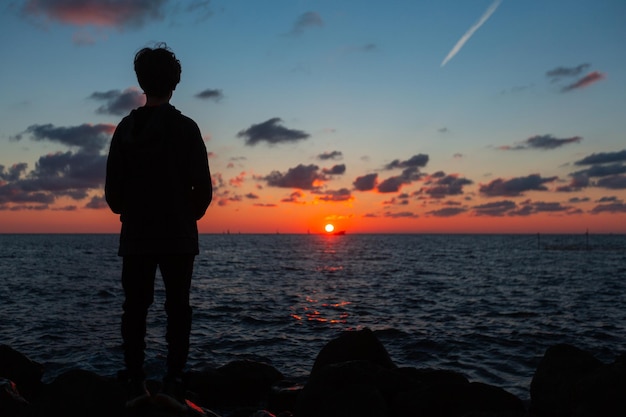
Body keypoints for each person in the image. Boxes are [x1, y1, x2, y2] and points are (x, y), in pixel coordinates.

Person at [105, 43, 212, 409]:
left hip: (136, 235)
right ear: (175, 82)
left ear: (140, 82)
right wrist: (184, 216)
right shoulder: (187, 129)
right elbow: (204, 190)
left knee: (134, 308)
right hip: (179, 236)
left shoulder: (124, 130)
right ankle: (174, 379)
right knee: (178, 309)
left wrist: (133, 211)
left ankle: (135, 380)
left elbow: (113, 195)